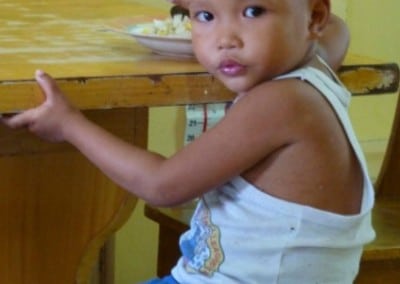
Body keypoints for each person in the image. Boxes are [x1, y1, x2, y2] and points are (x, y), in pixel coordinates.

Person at [2, 0, 375, 283]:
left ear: (314, 17)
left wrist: (69, 124)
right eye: (205, 16)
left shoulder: (282, 102)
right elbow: (337, 29)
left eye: (252, 10)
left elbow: (162, 186)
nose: (225, 40)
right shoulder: (317, 64)